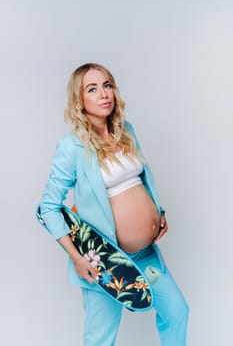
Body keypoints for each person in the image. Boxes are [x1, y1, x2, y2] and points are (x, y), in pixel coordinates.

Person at [39, 63, 189, 346]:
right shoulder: (72, 148)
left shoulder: (126, 131)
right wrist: (77, 258)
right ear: (79, 101)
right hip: (105, 263)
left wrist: (158, 212)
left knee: (177, 311)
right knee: (100, 339)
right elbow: (48, 207)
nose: (103, 93)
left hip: (145, 256)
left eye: (107, 85)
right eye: (92, 89)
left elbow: (140, 181)